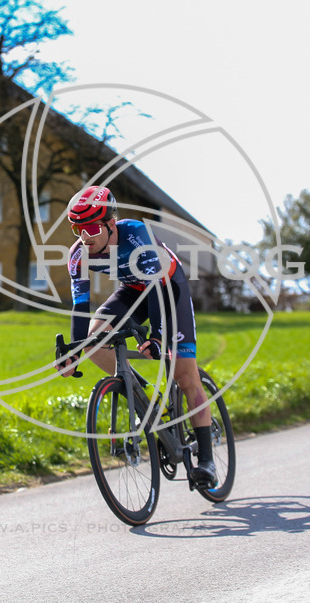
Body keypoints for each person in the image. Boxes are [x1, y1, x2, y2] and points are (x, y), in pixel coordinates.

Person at [54, 184, 216, 486]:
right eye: (78, 229)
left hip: (167, 289)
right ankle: (141, 395)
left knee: (184, 375)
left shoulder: (136, 234)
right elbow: (80, 306)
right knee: (93, 339)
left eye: (91, 228)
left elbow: (156, 287)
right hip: (131, 291)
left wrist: (157, 336)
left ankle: (206, 461)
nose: (85, 237)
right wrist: (74, 351)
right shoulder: (78, 255)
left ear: (110, 223)